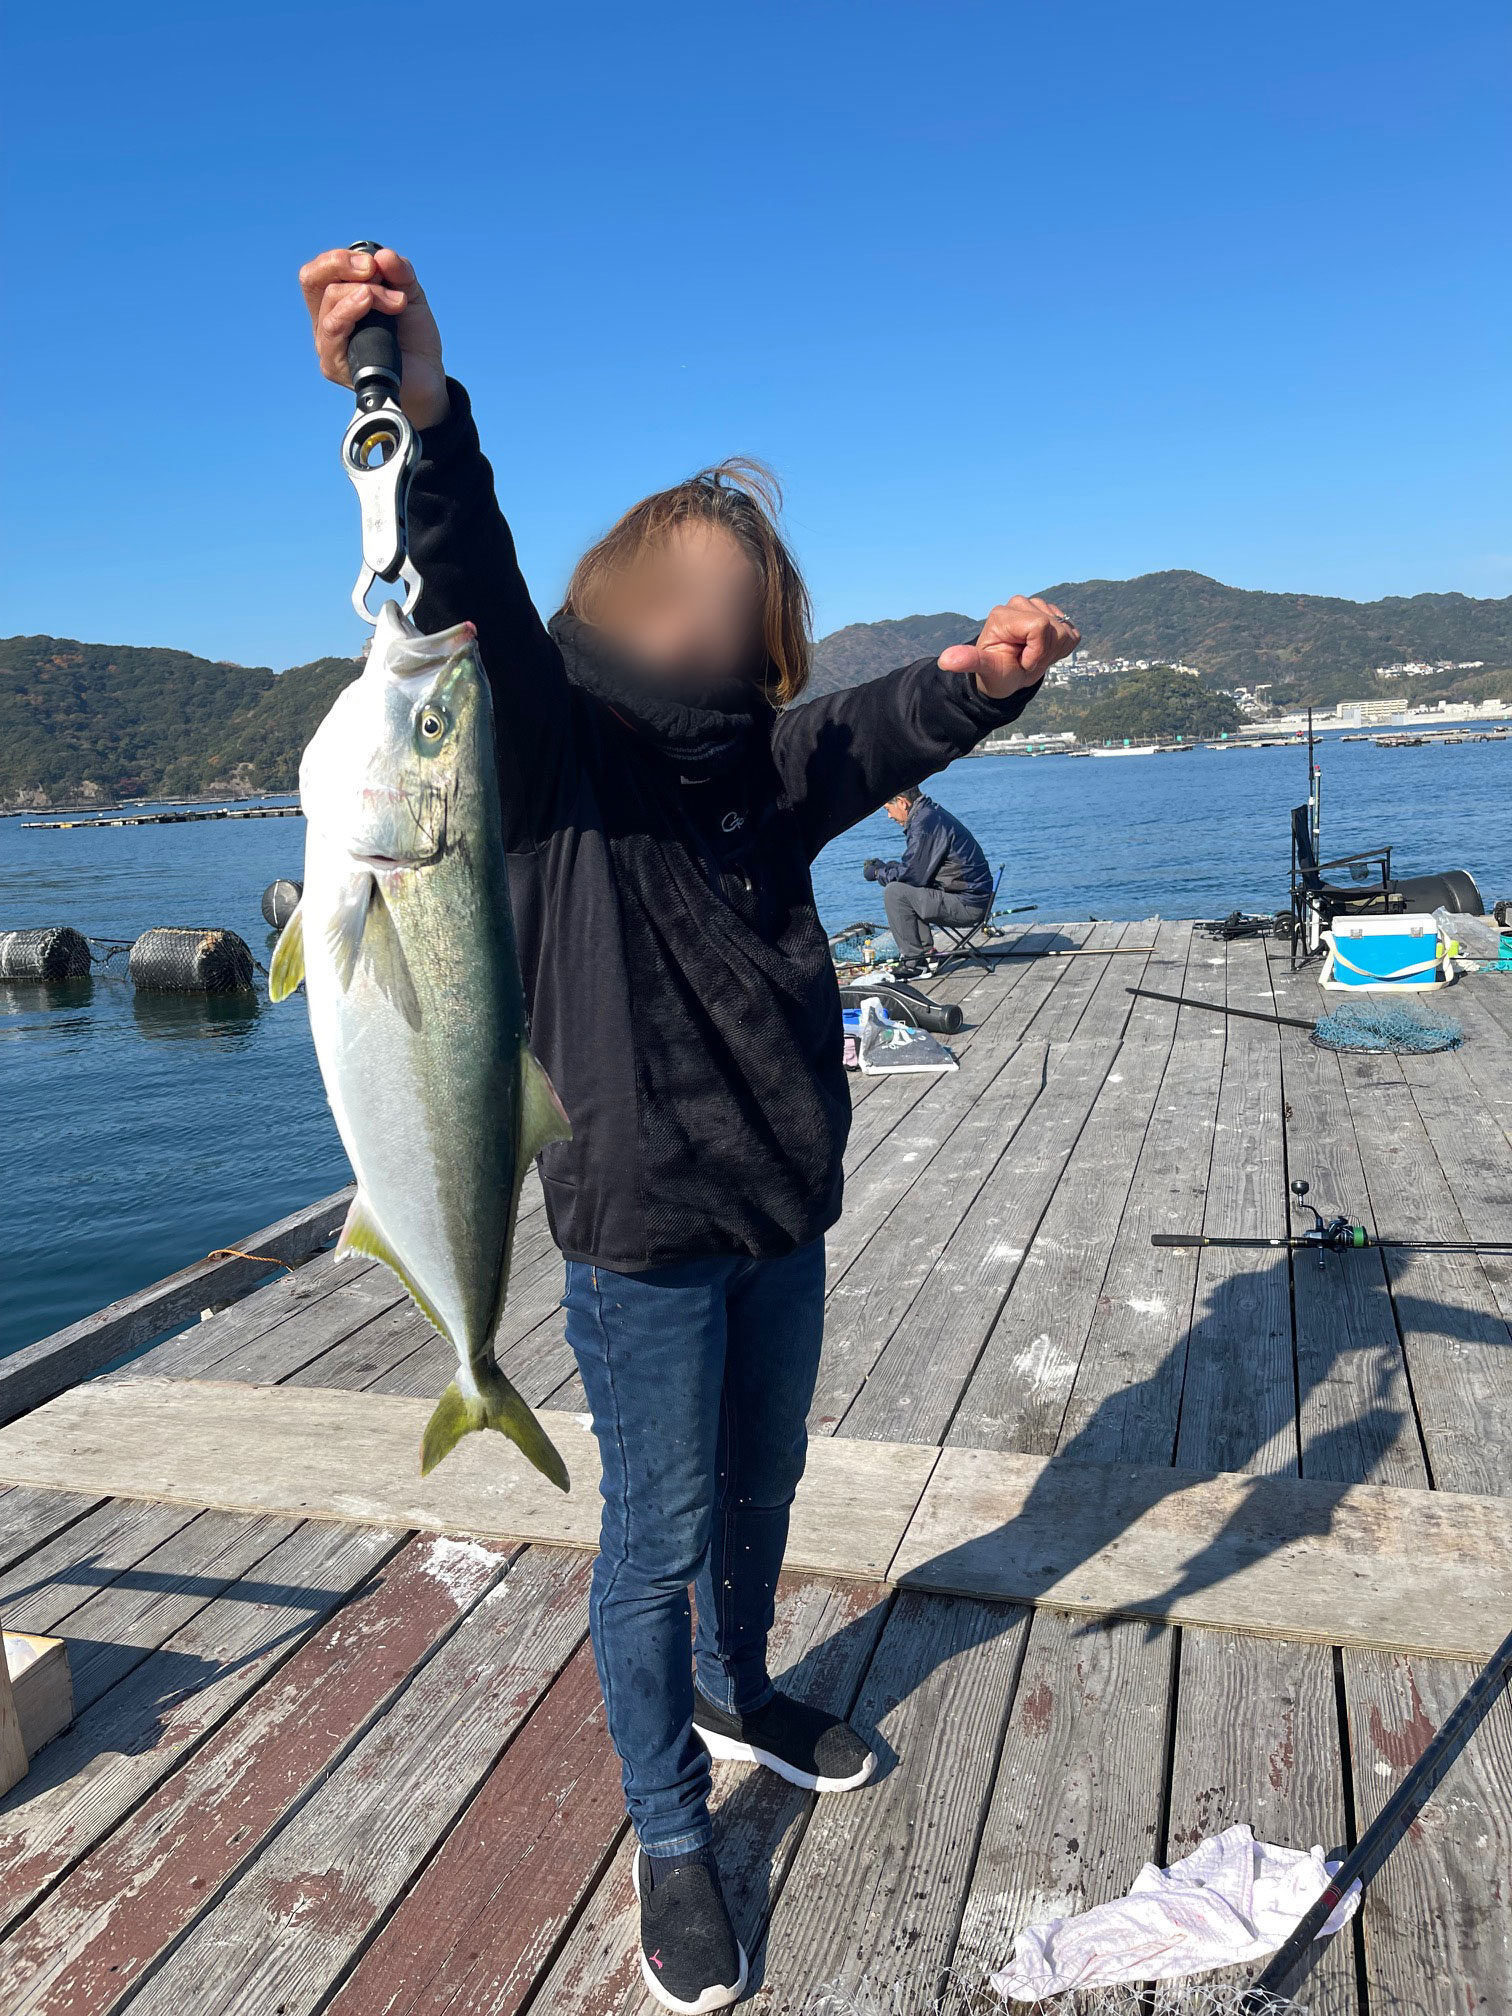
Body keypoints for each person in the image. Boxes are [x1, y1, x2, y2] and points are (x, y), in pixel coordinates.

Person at [300, 244, 1078, 2014]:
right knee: (644, 1539)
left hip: (782, 1213)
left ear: (768, 646)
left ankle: (740, 1689)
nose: (708, 627)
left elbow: (878, 726)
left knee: (761, 1488)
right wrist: (422, 406)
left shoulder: (767, 769)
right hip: (635, 1241)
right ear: (605, 603)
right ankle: (668, 1827)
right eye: (680, 596)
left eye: (742, 611)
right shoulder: (559, 757)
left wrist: (983, 675)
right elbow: (465, 568)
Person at [862, 785, 994, 979]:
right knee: (905, 888)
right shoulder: (929, 816)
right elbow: (916, 869)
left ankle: (914, 963)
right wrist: (886, 867)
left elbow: (913, 875)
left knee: (894, 892)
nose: (889, 816)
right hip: (971, 897)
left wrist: (877, 872)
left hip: (968, 905)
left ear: (902, 802)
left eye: (888, 810)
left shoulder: (924, 825)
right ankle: (925, 954)